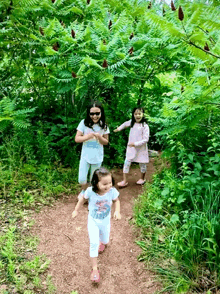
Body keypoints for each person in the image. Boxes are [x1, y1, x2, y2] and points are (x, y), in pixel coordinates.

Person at [72, 167, 121, 283]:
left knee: (105, 240)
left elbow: (116, 201)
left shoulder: (112, 191)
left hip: (105, 221)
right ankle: (95, 270)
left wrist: (117, 211)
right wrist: (76, 210)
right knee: (93, 243)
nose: (108, 186)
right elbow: (82, 199)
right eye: (104, 184)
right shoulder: (90, 191)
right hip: (93, 221)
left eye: (110, 182)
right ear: (96, 183)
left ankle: (103, 242)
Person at [75, 101, 110, 199]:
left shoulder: (104, 125)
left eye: (97, 113)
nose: (95, 116)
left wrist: (99, 137)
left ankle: (89, 194)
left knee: (93, 179)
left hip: (97, 156)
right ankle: (83, 190)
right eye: (92, 113)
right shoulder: (83, 123)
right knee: (82, 179)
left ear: (101, 113)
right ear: (88, 113)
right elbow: (77, 139)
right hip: (85, 156)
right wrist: (88, 136)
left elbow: (106, 142)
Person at [114, 107, 149, 187]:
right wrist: (119, 129)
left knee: (142, 163)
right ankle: (124, 181)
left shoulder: (145, 126)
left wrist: (135, 144)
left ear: (143, 114)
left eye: (139, 113)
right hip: (131, 148)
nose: (137, 115)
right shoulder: (132, 123)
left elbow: (146, 139)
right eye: (136, 114)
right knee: (127, 162)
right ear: (133, 115)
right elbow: (125, 124)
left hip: (141, 148)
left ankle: (142, 179)